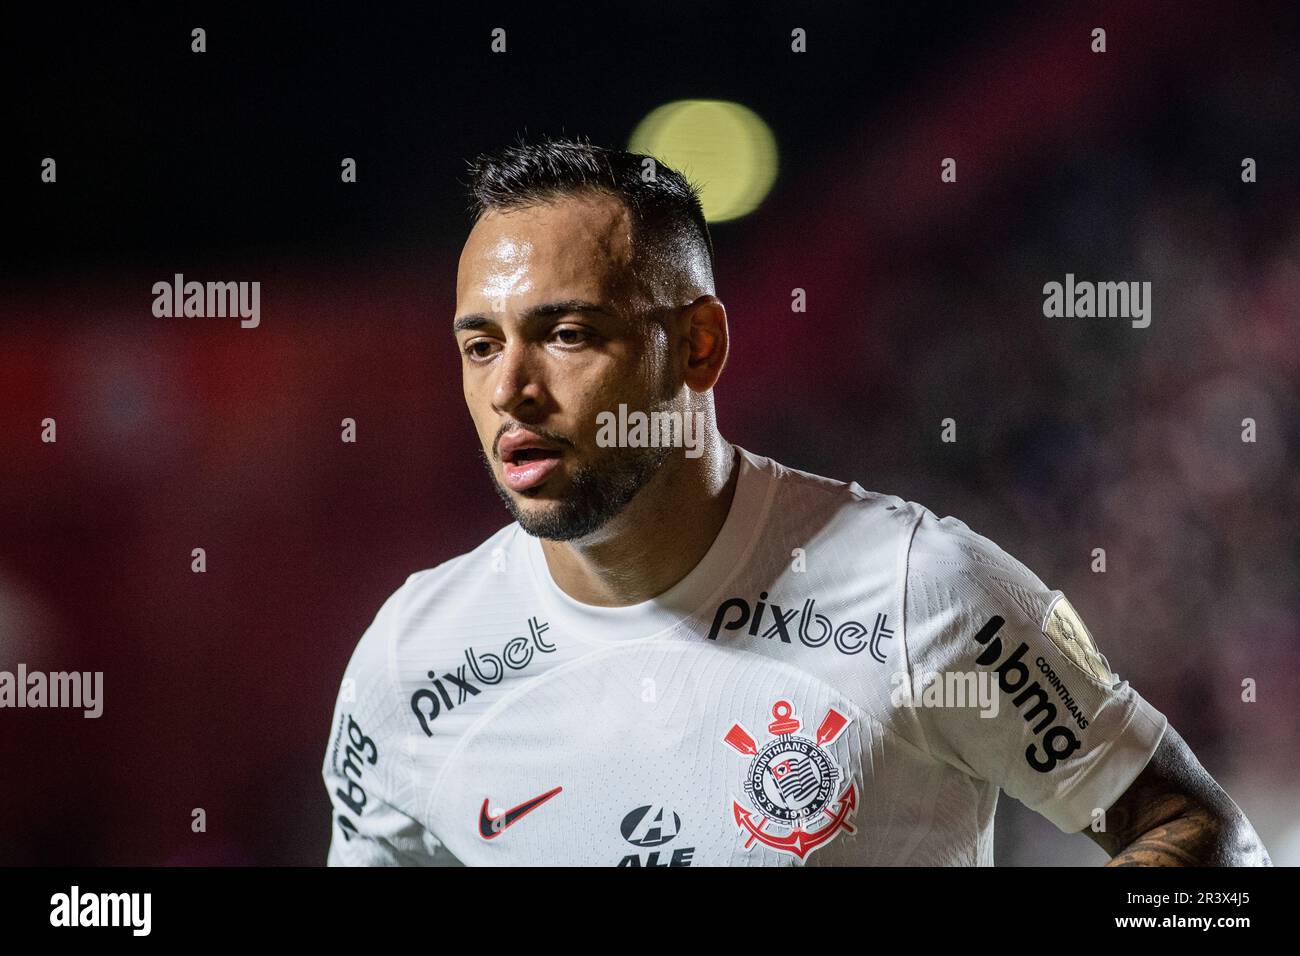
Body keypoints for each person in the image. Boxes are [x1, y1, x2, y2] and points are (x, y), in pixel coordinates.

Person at [322, 136, 1270, 866]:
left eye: (566, 334)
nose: (509, 390)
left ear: (699, 346)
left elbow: (1204, 838)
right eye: (480, 346)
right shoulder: (414, 656)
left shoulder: (921, 591)